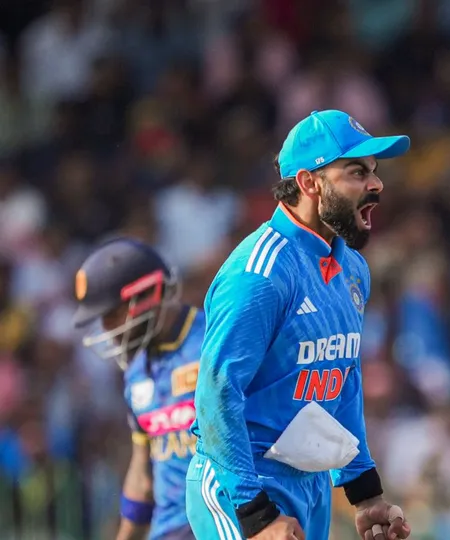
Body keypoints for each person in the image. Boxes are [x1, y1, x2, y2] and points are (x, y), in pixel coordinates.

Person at [185, 110, 412, 540]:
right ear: (309, 183)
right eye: (357, 171)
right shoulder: (260, 274)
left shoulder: (353, 268)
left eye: (374, 171)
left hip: (310, 485)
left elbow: (342, 379)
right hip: (245, 483)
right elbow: (216, 392)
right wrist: (255, 514)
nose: (376, 184)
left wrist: (364, 491)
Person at [74, 237, 203, 540]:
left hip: (227, 524)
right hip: (169, 531)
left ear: (149, 294)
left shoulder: (215, 344)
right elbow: (143, 471)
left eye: (112, 314)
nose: (107, 329)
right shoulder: (136, 373)